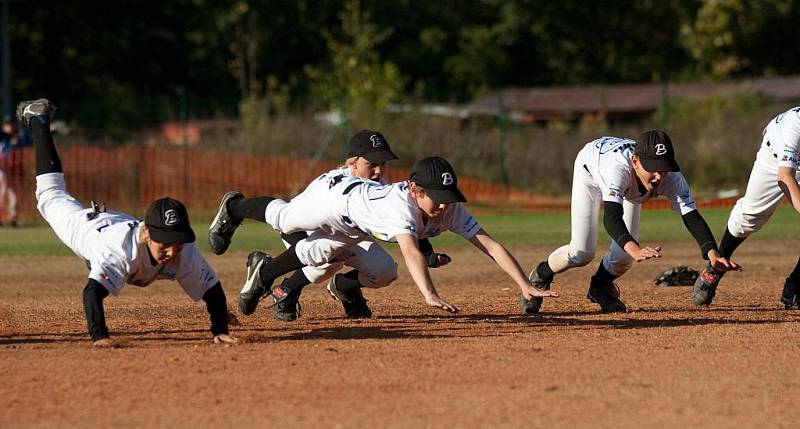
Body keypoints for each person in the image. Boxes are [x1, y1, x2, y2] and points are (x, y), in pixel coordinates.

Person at [211, 156, 559, 316]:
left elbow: (489, 244)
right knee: (283, 218)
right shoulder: (399, 208)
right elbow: (409, 251)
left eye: (448, 198)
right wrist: (430, 294)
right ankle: (235, 206)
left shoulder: (448, 207)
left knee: (317, 259)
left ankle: (265, 273)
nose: (444, 206)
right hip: (335, 200)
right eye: (436, 197)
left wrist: (522, 284)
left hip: (354, 227)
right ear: (414, 190)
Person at [18, 98, 237, 347]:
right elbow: (92, 293)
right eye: (164, 243)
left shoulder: (181, 249)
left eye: (175, 242)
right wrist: (100, 336)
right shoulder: (119, 251)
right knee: (50, 195)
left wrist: (219, 328)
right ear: (147, 234)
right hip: (88, 229)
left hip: (122, 222)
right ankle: (38, 119)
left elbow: (212, 290)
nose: (171, 250)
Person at [209, 130, 453, 321]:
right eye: (372, 164)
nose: (379, 170)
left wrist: (428, 254)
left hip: (349, 236)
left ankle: (343, 287)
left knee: (384, 271)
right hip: (308, 231)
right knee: (302, 236)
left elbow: (407, 218)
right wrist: (324, 249)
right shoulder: (332, 187)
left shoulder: (379, 181)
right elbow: (292, 229)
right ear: (352, 163)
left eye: (383, 163)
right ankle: (237, 212)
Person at [522, 131, 740, 314]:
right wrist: (635, 248)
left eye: (663, 168)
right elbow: (612, 218)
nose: (658, 176)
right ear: (635, 161)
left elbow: (691, 215)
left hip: (629, 186)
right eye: (653, 167)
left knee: (623, 256)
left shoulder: (670, 177)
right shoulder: (617, 169)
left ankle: (599, 288)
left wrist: (712, 252)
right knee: (582, 253)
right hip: (590, 169)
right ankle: (541, 274)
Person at [693, 106, 800, 307]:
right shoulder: (796, 125)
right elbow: (785, 176)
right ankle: (716, 267)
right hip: (774, 160)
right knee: (749, 217)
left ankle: (795, 287)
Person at [0, 118, 27, 227]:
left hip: (15, 169)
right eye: (7, 125)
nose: (9, 127)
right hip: (3, 169)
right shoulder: (2, 136)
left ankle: (13, 219)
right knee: (2, 193)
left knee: (14, 195)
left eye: (10, 125)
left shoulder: (19, 137)